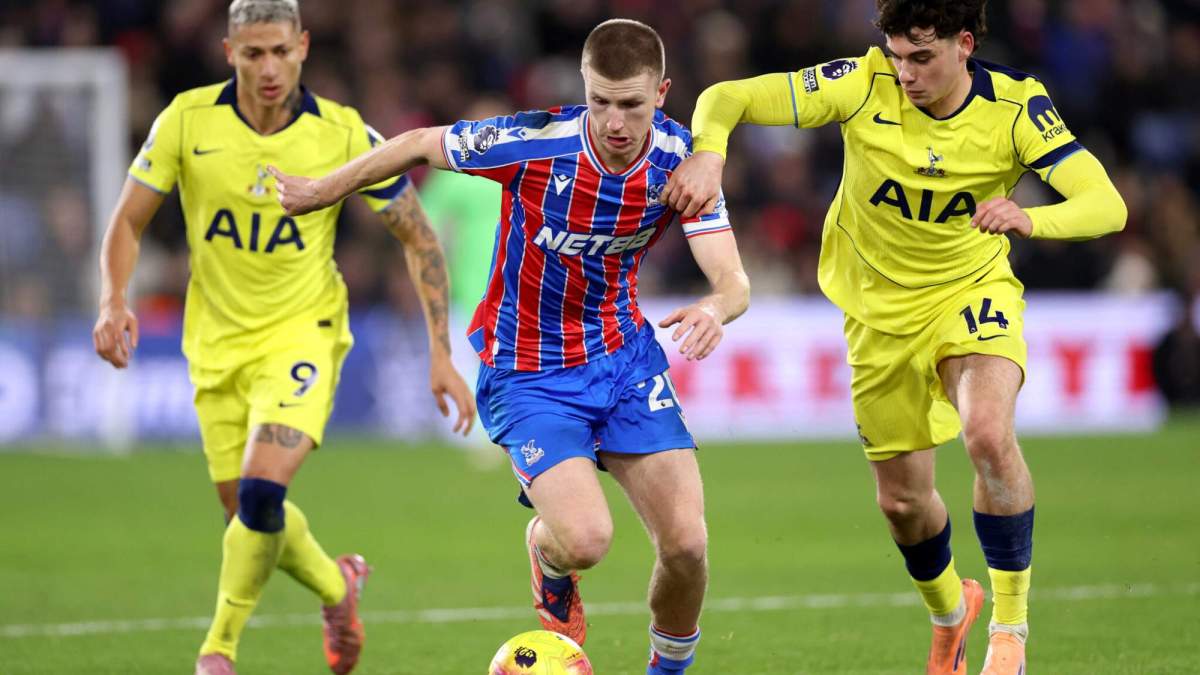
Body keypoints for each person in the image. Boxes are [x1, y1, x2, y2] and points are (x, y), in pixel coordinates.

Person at [272, 18, 751, 675]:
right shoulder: (535, 141)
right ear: (585, 89)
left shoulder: (682, 162)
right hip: (529, 370)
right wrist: (321, 191)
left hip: (623, 361)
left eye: (632, 104)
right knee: (586, 539)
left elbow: (733, 279)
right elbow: (416, 143)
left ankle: (666, 670)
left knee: (689, 545)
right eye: (601, 101)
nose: (614, 121)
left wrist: (716, 306)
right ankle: (548, 555)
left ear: (661, 93)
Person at [662, 1, 1126, 673]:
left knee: (987, 433)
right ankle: (949, 611)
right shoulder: (864, 80)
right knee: (904, 502)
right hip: (877, 313)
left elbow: (1105, 204)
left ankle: (1011, 628)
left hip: (971, 292)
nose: (904, 72)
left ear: (964, 44)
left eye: (922, 57)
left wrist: (1032, 221)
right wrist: (709, 154)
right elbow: (725, 96)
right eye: (896, 55)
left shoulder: (1017, 106)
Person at [91, 2, 475, 674]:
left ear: (302, 47)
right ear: (228, 52)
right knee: (249, 514)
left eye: (278, 52)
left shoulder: (343, 133)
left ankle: (217, 649)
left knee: (261, 494)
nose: (267, 68)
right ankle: (337, 584)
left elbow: (418, 235)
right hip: (213, 342)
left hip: (304, 333)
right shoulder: (186, 120)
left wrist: (441, 351)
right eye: (251, 54)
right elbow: (127, 221)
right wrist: (112, 298)